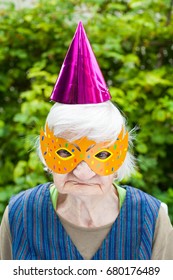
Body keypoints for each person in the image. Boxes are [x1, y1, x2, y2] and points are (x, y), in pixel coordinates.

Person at [0, 22, 172, 260]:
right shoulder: (19, 214)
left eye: (101, 155)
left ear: (121, 156)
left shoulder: (152, 218)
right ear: (45, 151)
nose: (82, 173)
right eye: (64, 153)